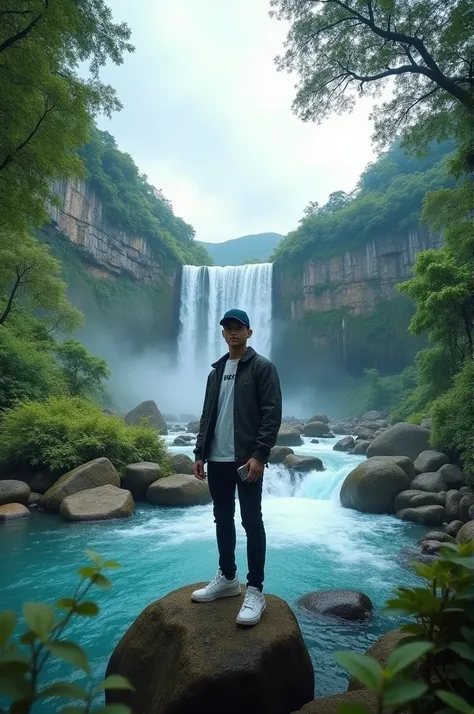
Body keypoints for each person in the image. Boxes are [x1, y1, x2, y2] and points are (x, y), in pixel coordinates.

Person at [191, 308, 282, 626]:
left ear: (249, 332)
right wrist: (199, 452)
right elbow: (207, 415)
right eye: (228, 328)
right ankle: (228, 578)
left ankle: (255, 590)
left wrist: (259, 454)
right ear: (223, 333)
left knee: (252, 522)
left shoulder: (262, 368)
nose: (233, 332)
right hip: (216, 459)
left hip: (246, 460)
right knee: (221, 518)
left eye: (238, 327)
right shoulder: (215, 372)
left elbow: (272, 414)